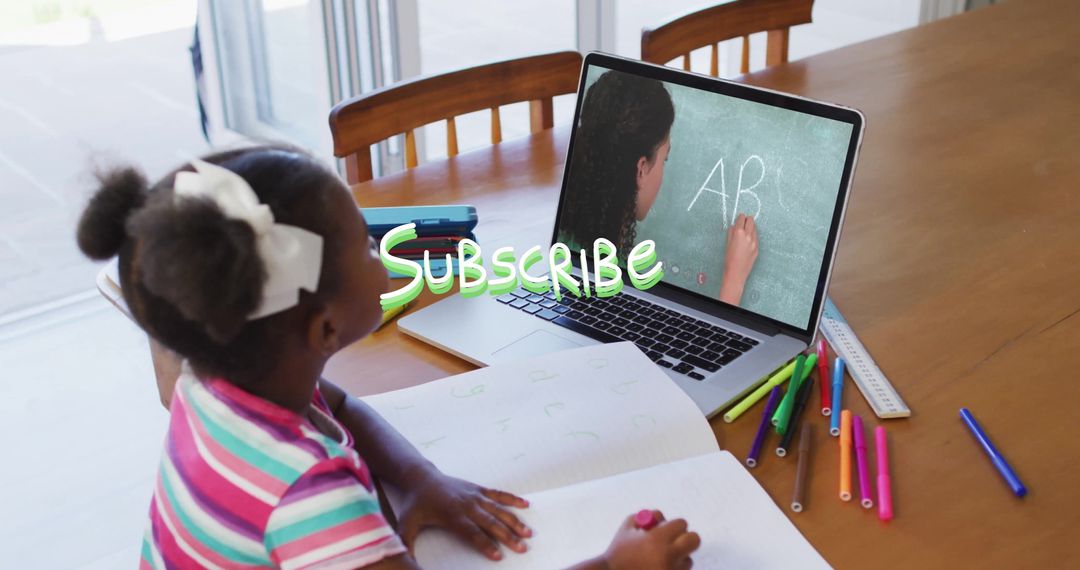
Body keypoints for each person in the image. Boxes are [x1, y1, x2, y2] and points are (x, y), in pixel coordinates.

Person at [76, 146, 700, 569]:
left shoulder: (213, 380)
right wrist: (615, 564)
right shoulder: (314, 501)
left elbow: (340, 405)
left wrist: (419, 478)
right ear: (324, 328)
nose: (387, 254)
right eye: (369, 248)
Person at [559, 70, 759, 306]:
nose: (664, 168)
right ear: (641, 168)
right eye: (664, 159)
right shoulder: (610, 282)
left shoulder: (569, 245)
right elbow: (696, 345)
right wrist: (733, 281)